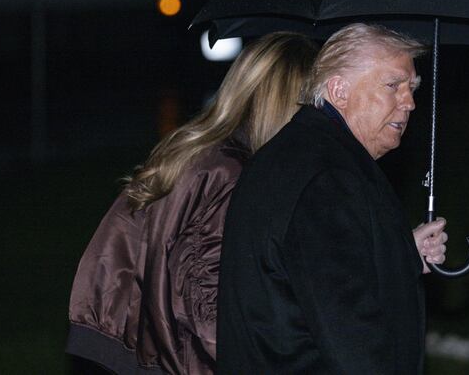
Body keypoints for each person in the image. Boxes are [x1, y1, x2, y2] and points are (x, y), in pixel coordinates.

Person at [66, 32, 319, 375]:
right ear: (289, 104)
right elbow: (208, 306)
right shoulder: (233, 175)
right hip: (175, 360)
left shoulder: (203, 150)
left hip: (133, 347)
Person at [217, 23, 448, 374]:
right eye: (393, 85)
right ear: (339, 90)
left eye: (412, 88)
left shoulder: (301, 152)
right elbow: (351, 334)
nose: (410, 102)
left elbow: (309, 279)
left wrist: (401, 254)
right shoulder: (327, 178)